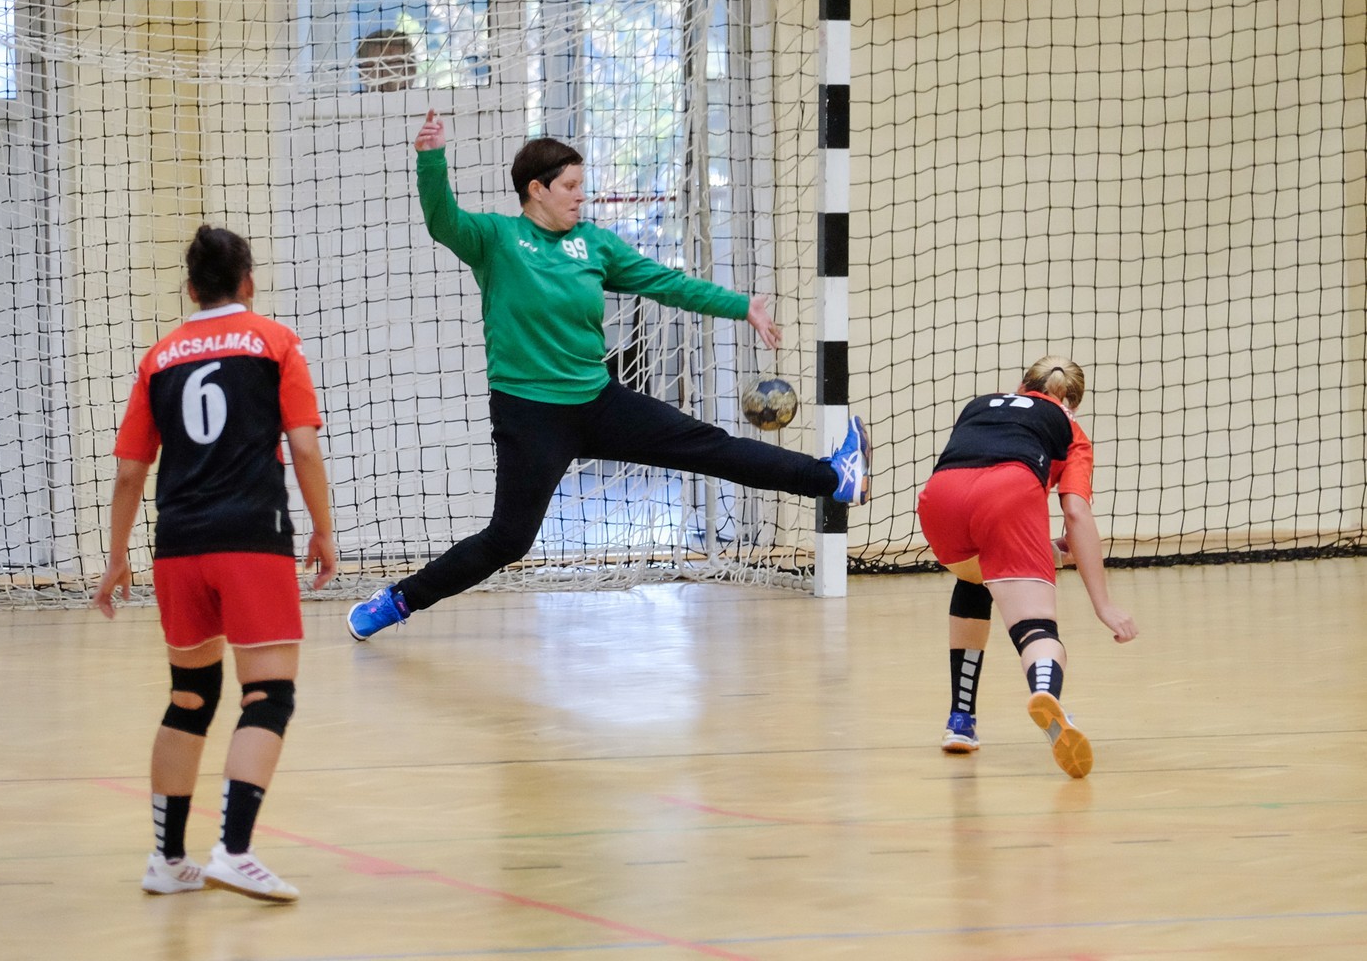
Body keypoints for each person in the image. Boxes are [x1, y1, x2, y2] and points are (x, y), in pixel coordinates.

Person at [345, 110, 870, 642]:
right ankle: (398, 600)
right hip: (530, 414)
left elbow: (663, 282)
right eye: (570, 186)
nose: (581, 196)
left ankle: (835, 478)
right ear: (536, 189)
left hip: (598, 402)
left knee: (712, 447)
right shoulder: (496, 238)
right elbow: (443, 221)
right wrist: (431, 159)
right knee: (509, 540)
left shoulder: (593, 244)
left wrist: (741, 307)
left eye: (582, 185)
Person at [92, 225, 336, 902]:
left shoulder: (159, 357)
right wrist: (323, 530)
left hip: (177, 547)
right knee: (268, 696)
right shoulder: (275, 342)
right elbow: (304, 448)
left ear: (190, 289)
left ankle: (167, 860)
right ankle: (233, 850)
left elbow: (130, 471)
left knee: (190, 698)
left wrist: (116, 558)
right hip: (250, 539)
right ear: (248, 283)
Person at [917, 356, 1137, 778]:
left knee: (976, 577)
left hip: (939, 501)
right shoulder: (1071, 429)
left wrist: (1041, 551)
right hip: (1009, 494)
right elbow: (1076, 514)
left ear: (1022, 385)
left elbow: (971, 477)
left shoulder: (981, 404)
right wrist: (1104, 605)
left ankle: (961, 720)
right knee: (1035, 630)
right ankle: (1045, 693)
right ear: (1073, 402)